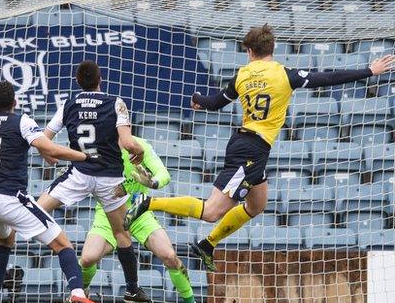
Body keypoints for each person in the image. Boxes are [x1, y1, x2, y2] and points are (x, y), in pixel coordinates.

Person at [125, 24, 395, 272]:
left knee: (257, 205)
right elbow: (327, 78)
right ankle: (148, 202)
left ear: (250, 51)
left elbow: (216, 102)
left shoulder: (243, 75)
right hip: (251, 150)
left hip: (249, 146)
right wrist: (368, 71)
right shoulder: (284, 74)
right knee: (212, 211)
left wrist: (198, 100)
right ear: (272, 49)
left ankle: (207, 245)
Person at [0, 81, 109, 303]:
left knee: (6, 241)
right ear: (15, 102)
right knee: (63, 245)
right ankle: (78, 294)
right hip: (10, 198)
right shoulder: (21, 121)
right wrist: (84, 157)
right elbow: (50, 149)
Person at [36, 60, 150, 303]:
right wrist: (138, 150)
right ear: (101, 80)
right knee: (121, 233)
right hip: (109, 178)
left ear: (78, 82)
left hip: (79, 174)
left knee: (35, 211)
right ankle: (131, 288)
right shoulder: (116, 103)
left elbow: (44, 139)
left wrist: (49, 156)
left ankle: (7, 244)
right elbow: (128, 144)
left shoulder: (69, 103)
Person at [79, 136, 205, 303]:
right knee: (87, 259)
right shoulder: (97, 146)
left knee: (169, 256)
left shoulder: (141, 145)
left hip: (140, 212)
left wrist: (152, 182)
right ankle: (81, 292)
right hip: (108, 214)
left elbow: (164, 175)